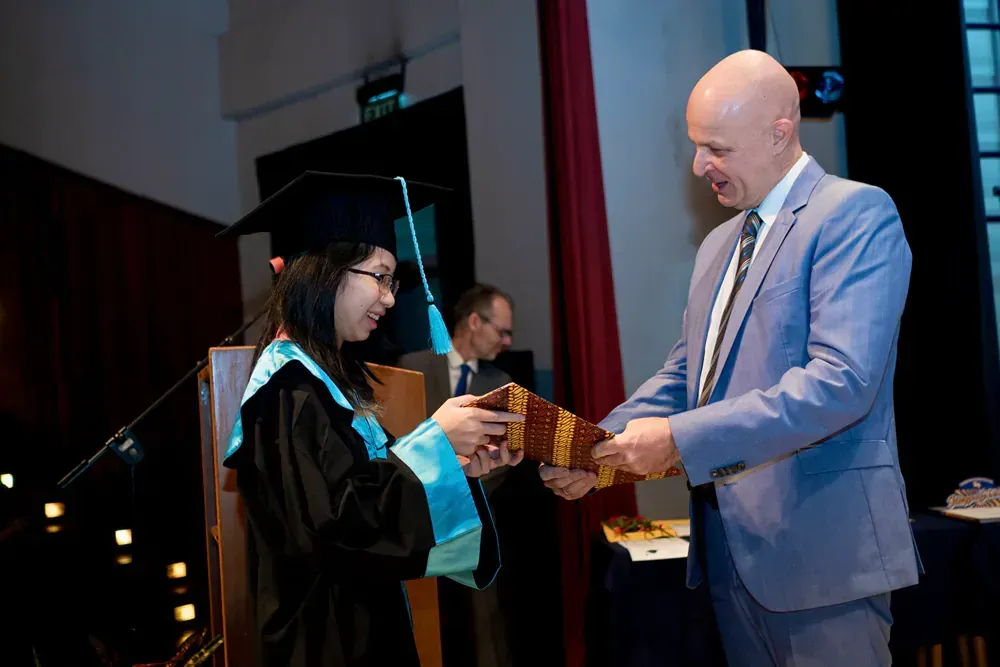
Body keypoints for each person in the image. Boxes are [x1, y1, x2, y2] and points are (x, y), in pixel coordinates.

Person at [539, 50, 920, 666]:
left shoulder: (854, 213)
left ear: (780, 133)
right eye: (695, 146)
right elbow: (688, 375)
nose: (698, 166)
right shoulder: (720, 242)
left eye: (716, 147)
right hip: (730, 559)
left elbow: (841, 383)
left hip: (823, 557)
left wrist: (677, 441)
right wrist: (595, 449)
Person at [218, 171, 525, 667]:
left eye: (392, 281)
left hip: (359, 621)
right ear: (326, 271)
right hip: (324, 636)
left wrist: (457, 466)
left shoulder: (328, 379)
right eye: (380, 277)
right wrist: (436, 440)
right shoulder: (287, 387)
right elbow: (335, 522)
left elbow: (370, 484)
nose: (388, 297)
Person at [398, 284, 517, 667]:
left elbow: (501, 463)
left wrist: (475, 474)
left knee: (483, 626)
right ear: (473, 322)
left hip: (474, 521)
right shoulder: (411, 366)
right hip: (414, 519)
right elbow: (398, 441)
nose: (507, 341)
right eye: (502, 331)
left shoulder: (503, 386)